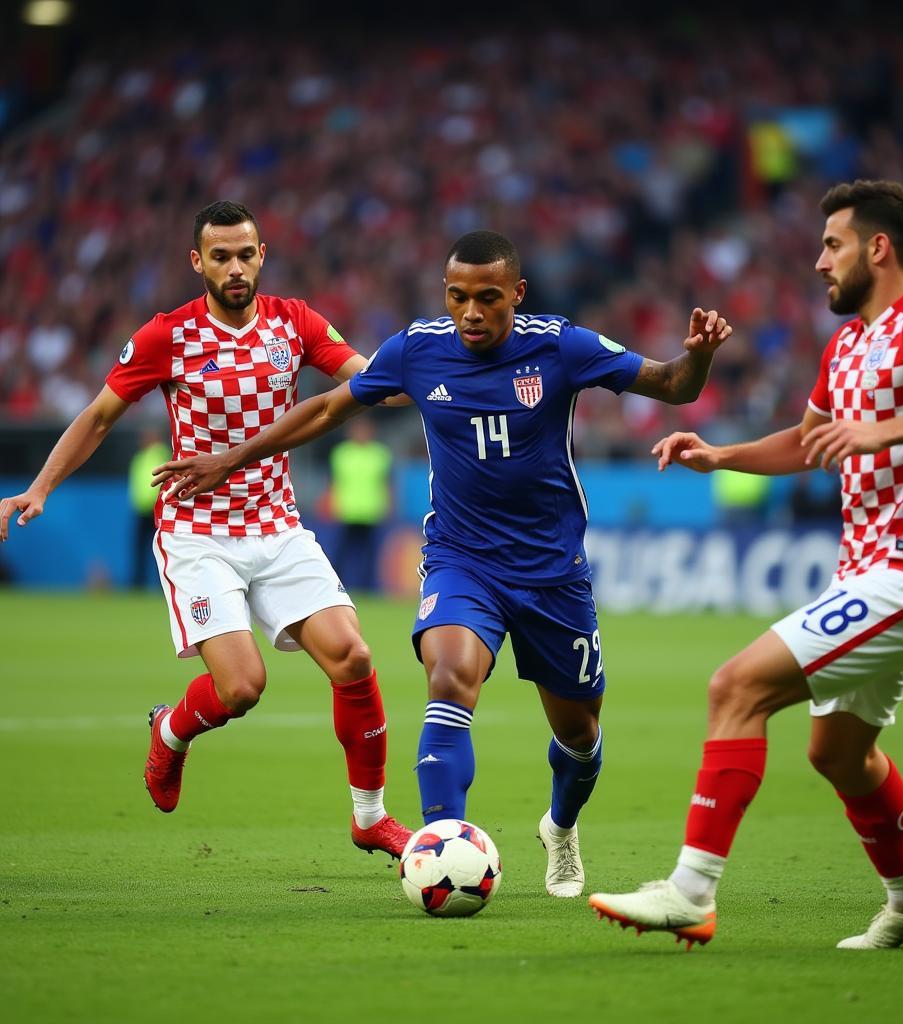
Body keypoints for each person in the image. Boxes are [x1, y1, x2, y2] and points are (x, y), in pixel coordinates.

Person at [149, 229, 732, 898]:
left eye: (488, 298)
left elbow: (671, 385)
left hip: (552, 573)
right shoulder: (418, 351)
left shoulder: (561, 346)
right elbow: (329, 407)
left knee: (579, 735)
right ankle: (441, 851)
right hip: (462, 561)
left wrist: (700, 358)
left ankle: (561, 828)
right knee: (450, 679)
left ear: (517, 293)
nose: (472, 313)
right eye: (458, 298)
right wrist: (232, 456)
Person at [588, 180, 903, 948]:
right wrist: (718, 454)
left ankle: (689, 892)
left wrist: (884, 434)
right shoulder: (849, 341)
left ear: (878, 248)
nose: (819, 261)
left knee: (737, 684)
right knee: (839, 753)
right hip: (866, 574)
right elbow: (808, 439)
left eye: (833, 244)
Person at [0, 200, 412, 859]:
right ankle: (170, 733)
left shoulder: (294, 323)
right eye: (220, 256)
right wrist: (42, 485)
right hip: (198, 534)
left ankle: (370, 817)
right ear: (198, 262)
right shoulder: (169, 336)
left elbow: (368, 383)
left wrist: (430, 375)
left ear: (262, 255)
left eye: (246, 253)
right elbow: (101, 415)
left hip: (277, 526)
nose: (235, 266)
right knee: (243, 688)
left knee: (355, 657)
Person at [327, 418, 392, 591]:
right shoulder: (341, 453)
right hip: (347, 510)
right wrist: (330, 503)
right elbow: (334, 482)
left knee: (370, 554)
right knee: (341, 551)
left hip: (371, 510)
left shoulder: (380, 453)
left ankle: (368, 588)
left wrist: (388, 504)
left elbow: (386, 482)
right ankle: (335, 586)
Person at [128, 429, 172, 588]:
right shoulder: (140, 457)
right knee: (140, 549)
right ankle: (138, 584)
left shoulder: (160, 453)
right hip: (141, 510)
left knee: (160, 549)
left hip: (157, 509)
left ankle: (162, 585)